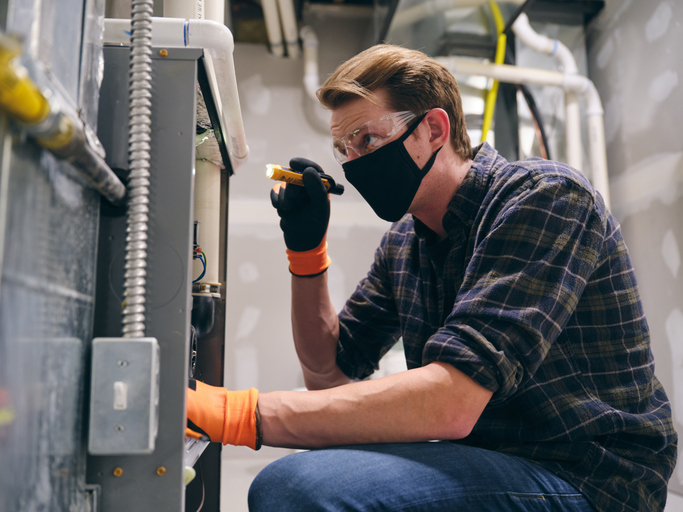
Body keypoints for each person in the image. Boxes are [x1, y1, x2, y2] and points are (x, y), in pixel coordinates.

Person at [186, 44, 678, 511]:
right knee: (299, 478)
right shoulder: (405, 243)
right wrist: (306, 252)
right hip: (496, 458)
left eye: (368, 140)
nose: (354, 163)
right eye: (343, 150)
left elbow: (452, 402)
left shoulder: (545, 198)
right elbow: (327, 375)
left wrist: (236, 415)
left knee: (293, 488)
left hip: (592, 477)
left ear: (434, 129)